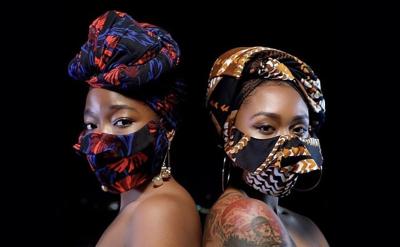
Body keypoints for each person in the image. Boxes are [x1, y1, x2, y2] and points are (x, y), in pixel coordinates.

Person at [68, 10, 201, 246]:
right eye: (91, 124)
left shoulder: (159, 212)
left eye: (122, 121)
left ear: (167, 127)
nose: (101, 138)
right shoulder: (138, 207)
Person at [202, 46, 329, 246]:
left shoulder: (303, 224)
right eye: (266, 127)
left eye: (298, 129)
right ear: (230, 133)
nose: (287, 144)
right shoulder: (246, 218)